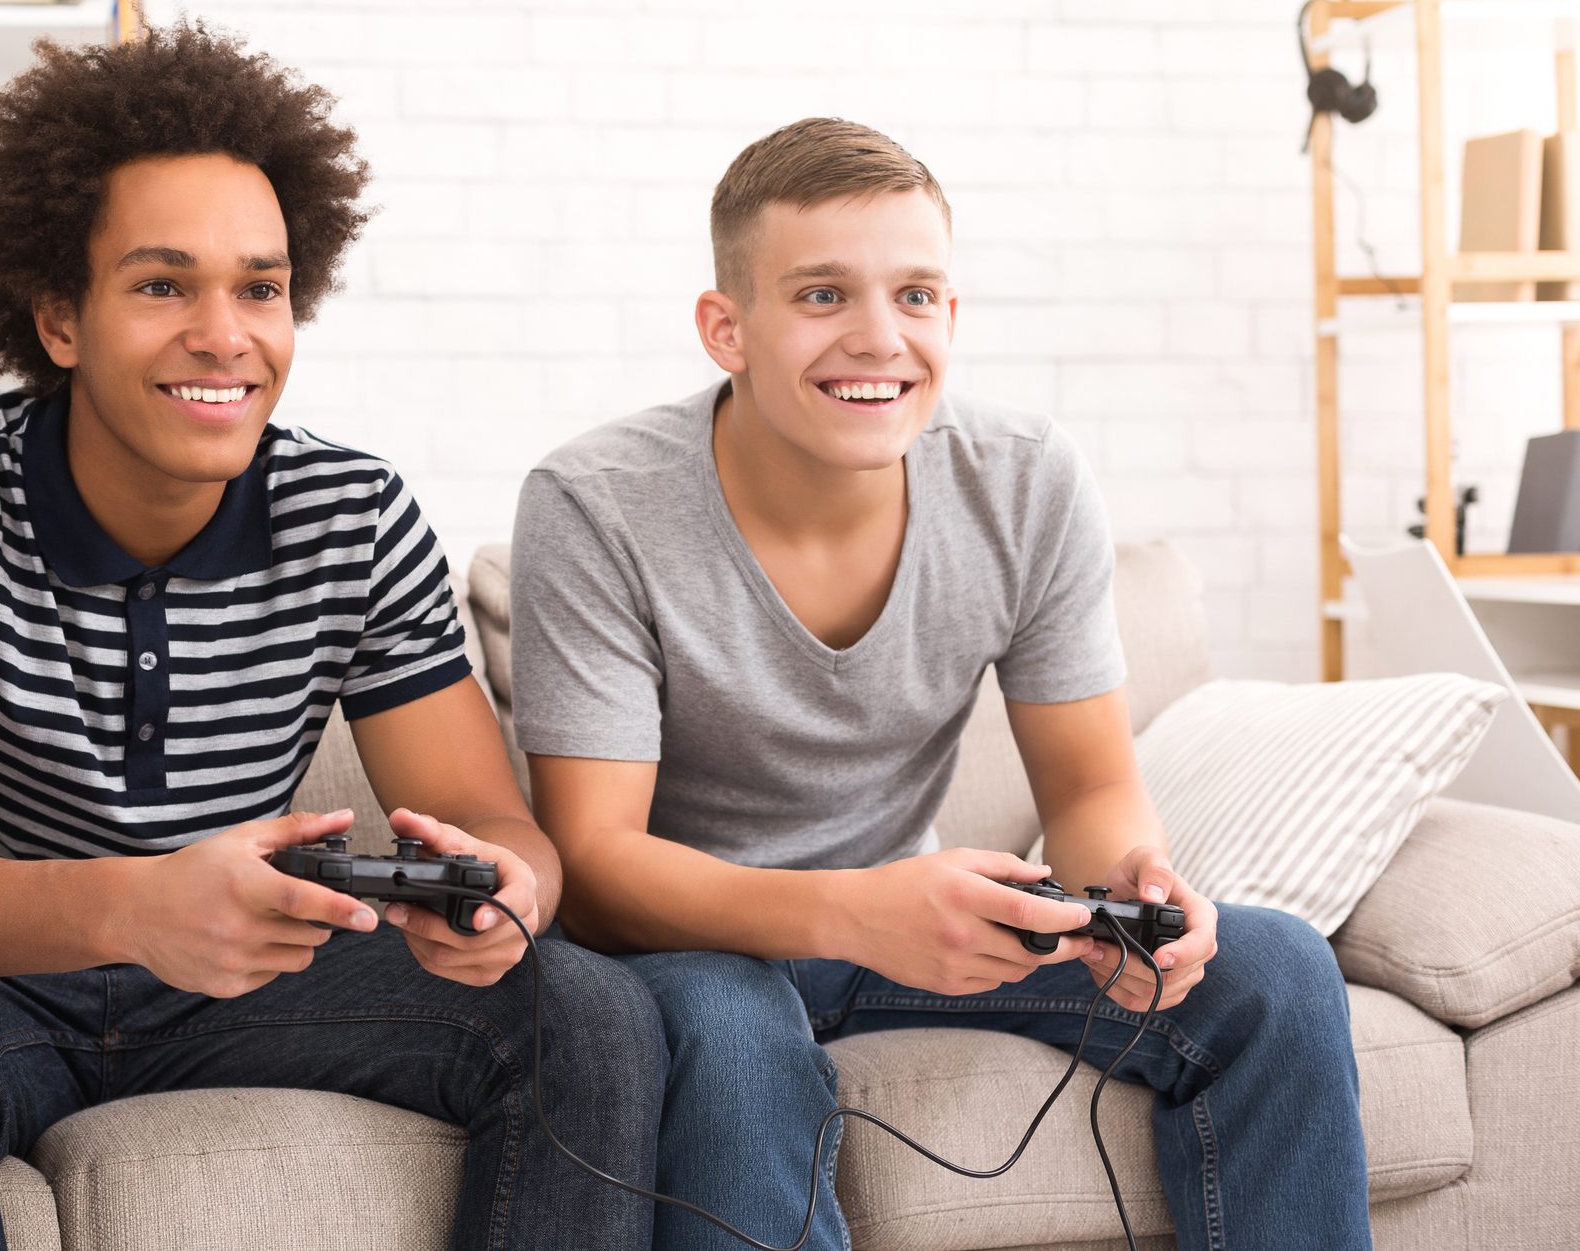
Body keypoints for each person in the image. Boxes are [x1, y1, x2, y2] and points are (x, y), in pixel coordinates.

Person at [0, 22, 663, 1251]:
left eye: (261, 287)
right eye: (164, 284)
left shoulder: (354, 513)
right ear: (60, 318)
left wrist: (498, 894)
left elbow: (494, 824)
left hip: (240, 987)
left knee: (590, 1012)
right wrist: (134, 907)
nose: (226, 334)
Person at [508, 117, 1372, 1251]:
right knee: (729, 1037)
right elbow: (601, 870)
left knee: (1279, 971)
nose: (880, 338)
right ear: (728, 328)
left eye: (916, 295)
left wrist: (1129, 892)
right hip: (691, 946)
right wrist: (858, 910)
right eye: (822, 295)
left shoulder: (1026, 481)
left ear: (951, 316)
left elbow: (1090, 784)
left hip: (915, 932)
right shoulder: (594, 504)